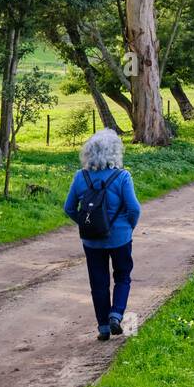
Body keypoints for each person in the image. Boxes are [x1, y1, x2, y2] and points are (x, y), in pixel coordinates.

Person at [63, 128, 141, 340]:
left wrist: (86, 224)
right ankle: (116, 314)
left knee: (98, 282)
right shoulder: (122, 176)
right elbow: (134, 209)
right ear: (116, 152)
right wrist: (128, 227)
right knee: (123, 276)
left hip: (92, 240)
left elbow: (69, 207)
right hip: (120, 237)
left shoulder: (81, 177)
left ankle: (103, 328)